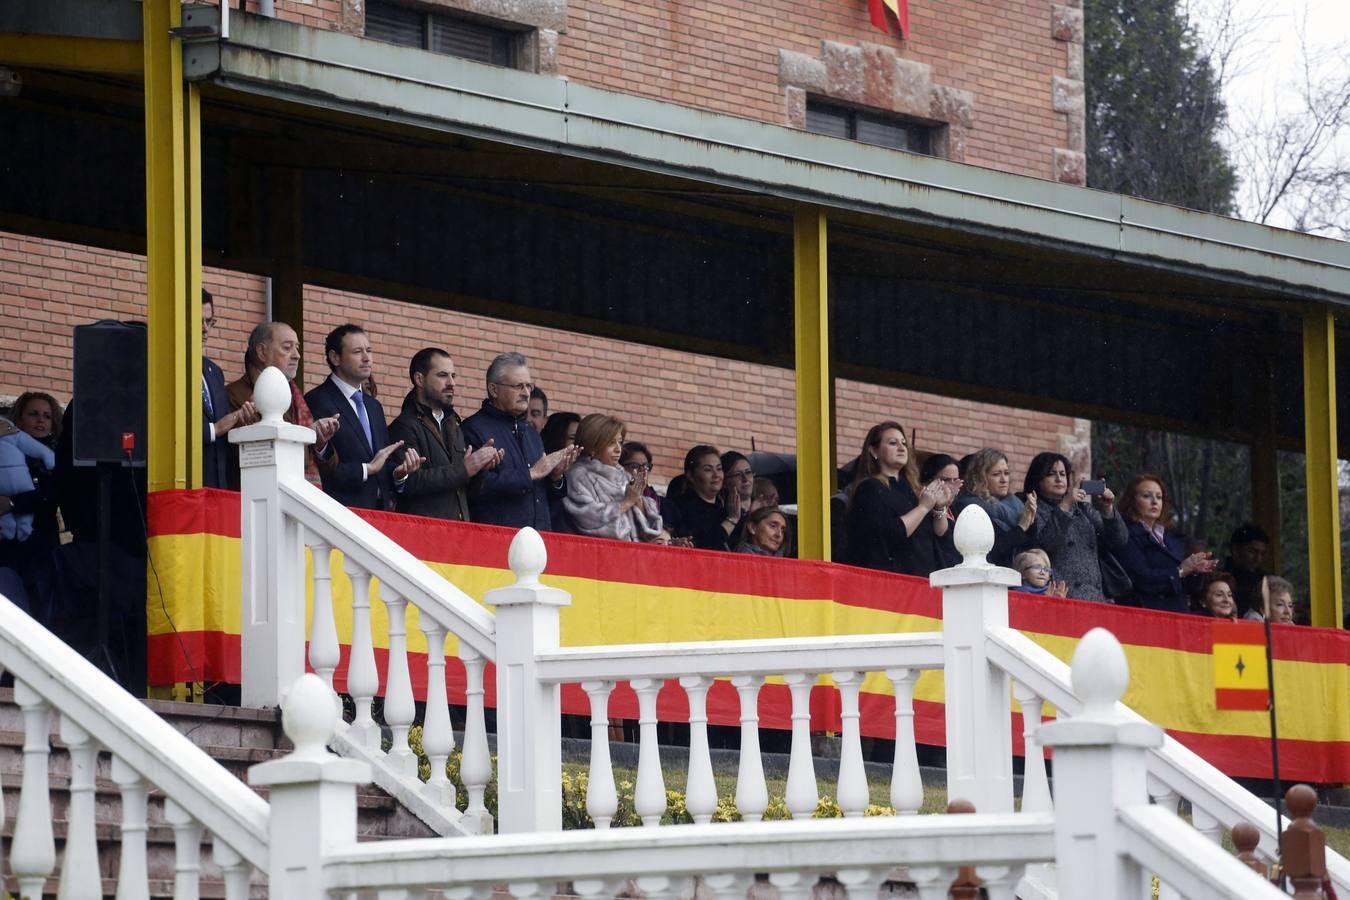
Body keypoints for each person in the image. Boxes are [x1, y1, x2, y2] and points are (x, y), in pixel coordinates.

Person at [304, 324, 422, 511]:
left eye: (369, 351)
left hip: (380, 514)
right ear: (335, 358)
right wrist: (367, 469)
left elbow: (381, 459)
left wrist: (399, 474)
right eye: (358, 352)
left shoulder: (374, 406)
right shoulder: (317, 400)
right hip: (340, 512)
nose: (367, 358)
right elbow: (323, 467)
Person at [461, 352, 577, 529]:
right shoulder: (473, 429)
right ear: (494, 389)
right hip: (498, 539)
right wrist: (531, 473)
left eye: (528, 386)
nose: (526, 393)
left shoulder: (531, 433)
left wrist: (555, 477)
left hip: (537, 540)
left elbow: (542, 493)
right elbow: (475, 488)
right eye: (518, 386)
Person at [389, 348, 503, 522]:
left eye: (453, 376)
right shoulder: (404, 425)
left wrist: (479, 469)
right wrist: (465, 468)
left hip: (457, 534)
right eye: (443, 375)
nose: (452, 383)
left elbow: (464, 490)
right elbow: (410, 484)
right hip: (424, 534)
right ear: (419, 379)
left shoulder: (454, 424)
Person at [227, 321, 339, 487]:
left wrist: (319, 441)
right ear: (262, 352)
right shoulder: (235, 394)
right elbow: (252, 454)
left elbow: (331, 467)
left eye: (297, 348)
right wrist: (305, 437)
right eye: (287, 348)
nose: (297, 355)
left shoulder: (296, 398)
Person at [844, 421, 960, 576]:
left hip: (923, 580)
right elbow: (890, 534)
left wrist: (939, 507)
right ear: (874, 451)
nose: (901, 447)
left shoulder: (913, 489)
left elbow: (940, 536)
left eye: (904, 443)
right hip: (893, 582)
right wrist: (923, 508)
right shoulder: (870, 488)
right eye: (893, 443)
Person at [1023, 452, 1126, 603]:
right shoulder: (1032, 509)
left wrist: (1108, 510)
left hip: (1097, 599)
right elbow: (1045, 545)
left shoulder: (1084, 509)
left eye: (1063, 474)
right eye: (1051, 474)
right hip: (1061, 597)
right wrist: (1065, 505)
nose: (1059, 479)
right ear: (1037, 479)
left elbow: (1119, 541)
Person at [1113, 474, 1215, 613]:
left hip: (1177, 615)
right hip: (1144, 615)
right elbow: (1141, 578)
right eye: (1147, 496)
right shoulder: (1125, 534)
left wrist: (1195, 572)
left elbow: (1189, 589)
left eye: (1159, 497)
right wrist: (1180, 571)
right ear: (1131, 501)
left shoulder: (1172, 538)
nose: (1155, 502)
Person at [563, 413, 663, 541]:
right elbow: (588, 522)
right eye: (611, 443)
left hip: (633, 556)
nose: (618, 449)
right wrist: (625, 503)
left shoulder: (624, 476)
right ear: (592, 446)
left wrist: (638, 500)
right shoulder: (577, 476)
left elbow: (650, 533)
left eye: (620, 442)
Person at [201, 289, 257, 488]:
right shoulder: (166, 368)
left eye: (209, 321)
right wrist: (213, 429)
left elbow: (226, 427)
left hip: (218, 486)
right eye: (199, 321)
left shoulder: (214, 372)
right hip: (185, 486)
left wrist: (241, 419)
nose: (205, 329)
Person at [951, 447, 1035, 566]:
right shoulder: (971, 507)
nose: (1004, 480)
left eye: (1006, 473)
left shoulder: (1016, 505)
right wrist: (1021, 527)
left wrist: (1031, 519)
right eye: (996, 474)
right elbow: (993, 551)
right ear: (980, 477)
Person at [662, 445, 736, 551]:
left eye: (719, 469)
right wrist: (732, 520)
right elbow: (703, 545)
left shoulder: (726, 508)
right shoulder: (679, 508)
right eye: (708, 470)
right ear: (691, 476)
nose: (716, 475)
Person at [1221, 524, 1269, 618]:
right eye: (1252, 552)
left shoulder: (1265, 580)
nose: (1258, 559)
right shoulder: (1220, 578)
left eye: (1262, 554)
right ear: (1236, 550)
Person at [620, 441, 662, 505]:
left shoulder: (666, 507)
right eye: (634, 466)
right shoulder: (608, 500)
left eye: (646, 466)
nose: (642, 471)